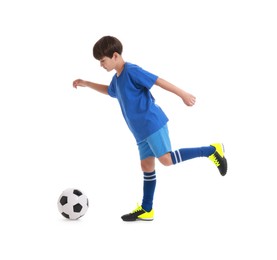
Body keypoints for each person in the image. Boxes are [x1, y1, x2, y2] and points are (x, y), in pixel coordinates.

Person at [73, 35, 227, 222]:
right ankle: (147, 209)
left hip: (151, 124)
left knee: (166, 160)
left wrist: (182, 94)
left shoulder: (131, 71)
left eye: (103, 61)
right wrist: (87, 84)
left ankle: (211, 150)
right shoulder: (117, 79)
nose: (101, 65)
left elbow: (157, 81)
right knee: (146, 166)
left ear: (115, 56)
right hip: (139, 132)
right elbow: (110, 91)